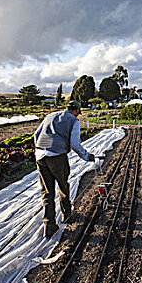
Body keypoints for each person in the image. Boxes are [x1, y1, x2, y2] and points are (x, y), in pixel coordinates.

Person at [34, 100, 95, 237]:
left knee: (47, 191)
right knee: (63, 185)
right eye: (78, 112)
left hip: (40, 156)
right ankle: (67, 216)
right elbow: (75, 144)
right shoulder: (73, 121)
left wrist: (39, 150)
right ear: (76, 110)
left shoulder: (50, 116)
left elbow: (36, 135)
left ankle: (49, 226)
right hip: (57, 156)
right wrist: (86, 156)